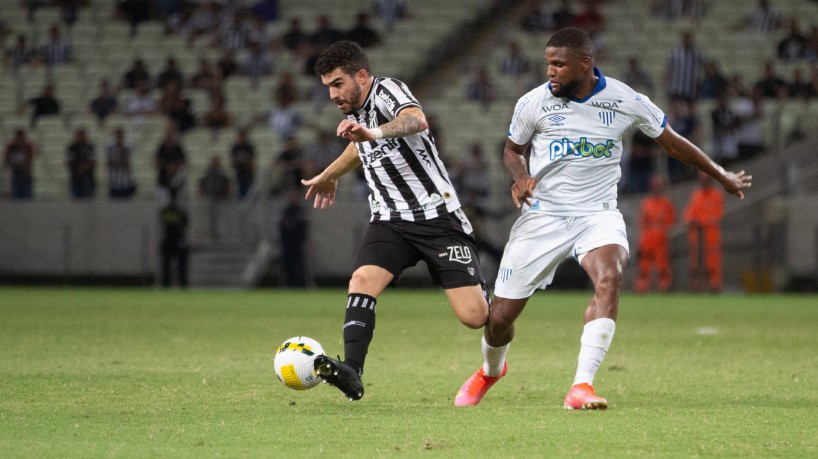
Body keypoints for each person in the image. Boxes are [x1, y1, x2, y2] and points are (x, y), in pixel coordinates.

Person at [454, 27, 751, 410]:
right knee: (499, 319)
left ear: (585, 63)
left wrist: (720, 174)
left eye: (559, 64)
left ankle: (582, 386)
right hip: (543, 216)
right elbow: (512, 150)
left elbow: (672, 141)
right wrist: (520, 176)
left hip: (597, 214)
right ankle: (491, 370)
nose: (551, 72)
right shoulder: (533, 102)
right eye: (548, 64)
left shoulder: (624, 99)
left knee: (610, 277)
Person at [301, 40, 491, 400]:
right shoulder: (352, 108)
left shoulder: (387, 89)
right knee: (361, 281)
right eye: (327, 87)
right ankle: (352, 372)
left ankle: (497, 310)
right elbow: (360, 145)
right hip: (389, 220)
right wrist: (331, 173)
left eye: (337, 83)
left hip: (438, 218)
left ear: (361, 75)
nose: (332, 95)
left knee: (474, 317)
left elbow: (414, 120)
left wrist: (373, 132)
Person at [684, 171, 724, 292]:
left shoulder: (717, 195)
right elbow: (689, 213)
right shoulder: (696, 195)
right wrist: (692, 221)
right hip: (696, 235)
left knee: (713, 262)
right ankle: (696, 286)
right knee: (695, 263)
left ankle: (714, 286)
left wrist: (701, 221)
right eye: (702, 178)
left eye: (706, 178)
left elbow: (717, 214)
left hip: (711, 234)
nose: (704, 181)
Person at [634, 174, 675, 293]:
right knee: (644, 266)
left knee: (663, 265)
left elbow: (671, 220)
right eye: (655, 185)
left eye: (659, 186)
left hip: (661, 237)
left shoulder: (666, 203)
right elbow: (641, 221)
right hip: (647, 237)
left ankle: (664, 287)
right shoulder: (646, 203)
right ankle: (642, 287)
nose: (657, 188)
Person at [159, 189, 189, 287]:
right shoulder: (178, 211)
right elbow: (184, 226)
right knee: (170, 265)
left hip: (171, 240)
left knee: (173, 265)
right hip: (173, 240)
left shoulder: (167, 211)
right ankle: (177, 283)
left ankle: (170, 284)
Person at [3, 128, 36, 199]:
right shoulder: (11, 146)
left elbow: (30, 158)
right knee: (15, 194)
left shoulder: (28, 146)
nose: (20, 139)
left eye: (21, 137)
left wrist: (25, 166)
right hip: (16, 173)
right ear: (16, 137)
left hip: (25, 173)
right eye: (18, 137)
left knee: (27, 195)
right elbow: (7, 159)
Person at [105, 127, 137, 199]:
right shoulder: (109, 146)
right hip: (114, 178)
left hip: (125, 179)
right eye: (117, 135)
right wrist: (117, 163)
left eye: (120, 135)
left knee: (125, 201)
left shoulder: (127, 146)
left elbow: (127, 161)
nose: (119, 137)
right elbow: (109, 161)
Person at [66, 128, 97, 199]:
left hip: (88, 176)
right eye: (80, 135)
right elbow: (69, 161)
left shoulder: (89, 147)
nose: (81, 137)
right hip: (76, 176)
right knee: (77, 197)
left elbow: (92, 160)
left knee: (89, 198)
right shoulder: (72, 147)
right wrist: (78, 167)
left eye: (83, 135)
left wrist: (84, 167)